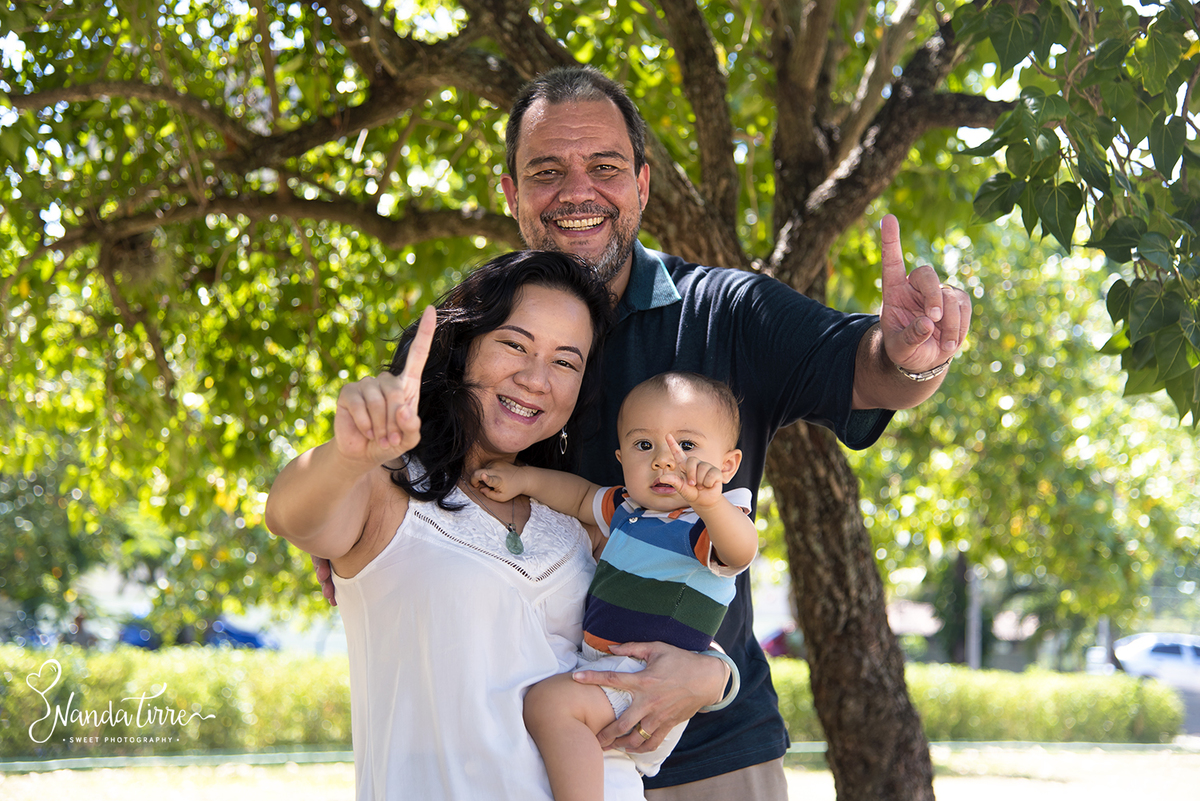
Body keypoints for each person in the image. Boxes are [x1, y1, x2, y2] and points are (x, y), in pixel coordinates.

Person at [315, 66, 972, 798]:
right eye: (546, 171)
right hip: (518, 761)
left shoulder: (726, 311)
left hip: (712, 759)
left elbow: (864, 368)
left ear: (643, 186)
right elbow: (386, 481)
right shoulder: (464, 329)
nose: (577, 191)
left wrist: (913, 357)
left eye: (604, 167)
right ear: (510, 193)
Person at [266, 250, 733, 800]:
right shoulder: (384, 488)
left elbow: (658, 617)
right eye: (515, 344)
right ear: (463, 346)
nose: (536, 379)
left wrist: (715, 677)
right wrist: (348, 457)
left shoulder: (578, 518)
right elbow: (291, 516)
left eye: (566, 362)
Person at [471, 371, 758, 801]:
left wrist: (711, 502)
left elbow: (741, 552)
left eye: (687, 445)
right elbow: (578, 494)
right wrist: (524, 480)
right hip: (615, 672)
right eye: (645, 446)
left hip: (648, 681)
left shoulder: (703, 524)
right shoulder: (628, 509)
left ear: (729, 464)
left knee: (549, 706)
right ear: (622, 457)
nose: (664, 459)